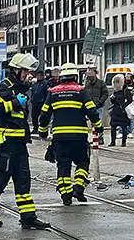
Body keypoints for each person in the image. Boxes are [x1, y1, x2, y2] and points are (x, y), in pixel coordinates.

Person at [0, 53, 50, 230]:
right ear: (16, 70)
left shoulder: (21, 88)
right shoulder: (4, 87)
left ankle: (28, 217)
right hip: (6, 143)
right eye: (25, 71)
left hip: (19, 143)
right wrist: (15, 103)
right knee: (0, 179)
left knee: (23, 179)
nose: (28, 75)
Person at [39, 63, 103, 206]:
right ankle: (79, 187)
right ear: (75, 76)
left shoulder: (53, 92)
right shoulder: (81, 91)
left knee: (63, 166)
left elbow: (44, 115)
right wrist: (98, 127)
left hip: (60, 138)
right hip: (79, 136)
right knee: (83, 162)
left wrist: (43, 131)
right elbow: (92, 111)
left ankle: (66, 195)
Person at [108, 74, 131, 147]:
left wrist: (123, 106)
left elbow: (130, 100)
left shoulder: (126, 91)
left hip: (123, 111)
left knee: (124, 127)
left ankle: (124, 142)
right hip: (115, 110)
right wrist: (112, 99)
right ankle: (113, 141)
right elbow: (113, 102)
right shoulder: (115, 91)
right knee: (113, 127)